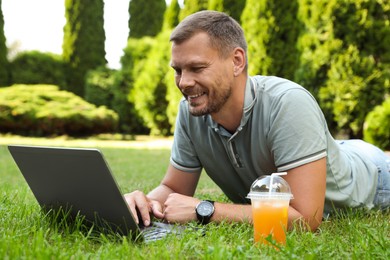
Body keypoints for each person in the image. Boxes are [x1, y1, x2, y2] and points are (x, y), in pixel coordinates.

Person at [124, 10, 390, 231]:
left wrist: (205, 210)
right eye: (178, 70)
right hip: (333, 152)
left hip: (375, 176)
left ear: (237, 61)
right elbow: (173, 187)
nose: (184, 82)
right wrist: (141, 203)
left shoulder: (288, 102)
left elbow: (306, 219)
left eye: (197, 68)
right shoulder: (191, 111)